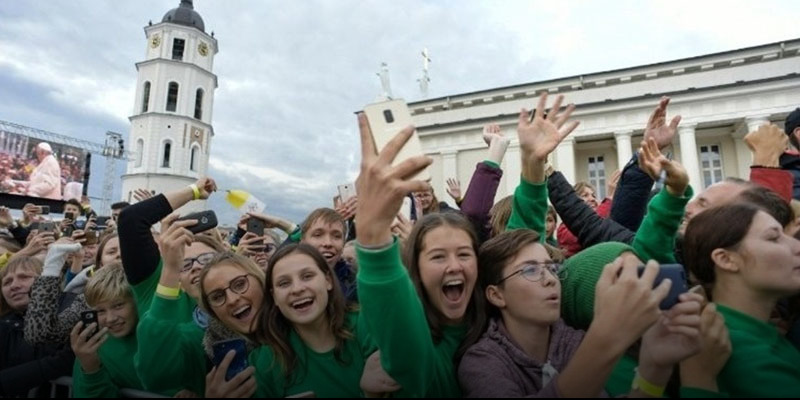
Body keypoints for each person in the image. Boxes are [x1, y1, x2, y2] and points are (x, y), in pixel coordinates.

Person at [459, 229, 703, 397]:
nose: (550, 280)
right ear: (496, 295)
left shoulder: (574, 342)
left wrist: (654, 368)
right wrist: (607, 336)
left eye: (551, 268)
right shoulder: (481, 362)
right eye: (530, 271)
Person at [355, 109, 492, 396]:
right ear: (414, 267)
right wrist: (372, 236)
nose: (454, 266)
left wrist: (531, 164)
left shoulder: (500, 324)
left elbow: (519, 253)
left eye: (464, 254)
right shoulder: (418, 348)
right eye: (438, 256)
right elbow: (401, 332)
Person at [203, 244, 382, 397]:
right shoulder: (263, 362)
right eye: (284, 283)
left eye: (307, 276)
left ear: (328, 280)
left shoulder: (365, 324)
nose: (297, 289)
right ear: (274, 296)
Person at [684, 203, 800, 396]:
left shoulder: (749, 333)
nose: (797, 246)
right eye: (774, 238)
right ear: (726, 259)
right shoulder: (746, 354)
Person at [69, 263, 152, 397]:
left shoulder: (157, 333)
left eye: (118, 305)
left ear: (136, 301)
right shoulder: (91, 349)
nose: (110, 318)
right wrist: (91, 369)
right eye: (100, 310)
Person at [0, 256, 74, 397]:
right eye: (7, 282)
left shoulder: (71, 307)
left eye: (24, 277)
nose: (14, 285)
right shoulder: (5, 324)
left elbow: (68, 358)